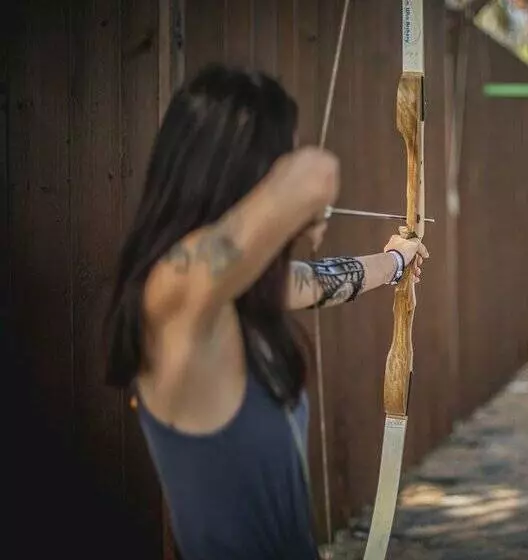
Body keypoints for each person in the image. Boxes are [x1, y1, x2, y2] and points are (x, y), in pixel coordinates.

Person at [103, 64, 429, 559]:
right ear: (242, 172)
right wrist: (299, 205)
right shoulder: (172, 296)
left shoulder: (236, 292)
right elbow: (316, 175)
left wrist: (397, 260)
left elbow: (320, 282)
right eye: (279, 157)